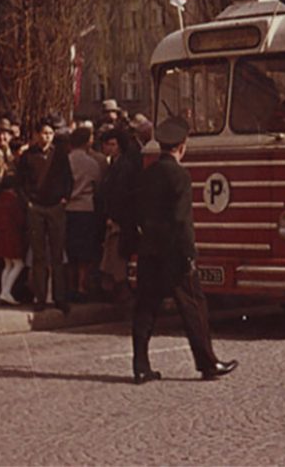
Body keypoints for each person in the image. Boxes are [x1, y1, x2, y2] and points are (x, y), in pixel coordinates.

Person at [131, 116, 237, 384]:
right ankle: (207, 362)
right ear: (182, 145)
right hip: (174, 254)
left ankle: (141, 365)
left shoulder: (147, 174)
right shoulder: (180, 175)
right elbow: (182, 220)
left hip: (149, 250)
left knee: (145, 307)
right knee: (194, 307)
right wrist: (189, 254)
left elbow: (131, 210)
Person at [17, 119, 73, 313]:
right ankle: (40, 298)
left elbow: (68, 178)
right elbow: (20, 182)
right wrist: (28, 203)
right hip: (36, 207)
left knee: (57, 255)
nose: (46, 137)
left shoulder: (60, 155)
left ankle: (60, 297)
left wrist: (65, 198)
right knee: (39, 256)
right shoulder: (27, 156)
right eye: (43, 133)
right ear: (36, 135)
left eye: (50, 133)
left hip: (56, 206)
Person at [98, 128, 139, 302]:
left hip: (120, 219)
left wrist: (114, 216)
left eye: (113, 144)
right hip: (115, 217)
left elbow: (120, 194)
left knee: (116, 258)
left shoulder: (123, 166)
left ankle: (122, 293)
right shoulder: (114, 164)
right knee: (112, 257)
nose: (110, 147)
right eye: (108, 144)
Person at [65, 126, 104, 302]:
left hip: (68, 208)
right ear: (87, 141)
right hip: (86, 208)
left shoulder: (66, 161)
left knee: (70, 250)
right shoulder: (92, 163)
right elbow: (98, 186)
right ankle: (82, 286)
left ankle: (71, 286)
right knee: (84, 251)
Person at [0, 150, 26, 305]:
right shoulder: (13, 200)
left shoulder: (0, 199)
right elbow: (19, 219)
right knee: (18, 264)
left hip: (1, 235)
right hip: (12, 235)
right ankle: (6, 291)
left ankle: (3, 291)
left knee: (7, 265)